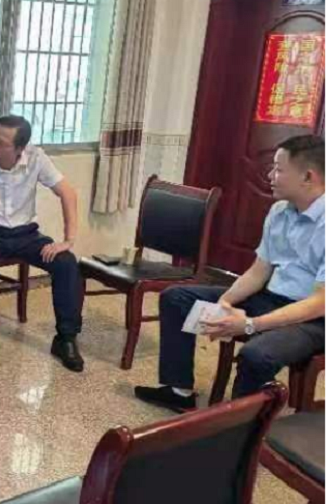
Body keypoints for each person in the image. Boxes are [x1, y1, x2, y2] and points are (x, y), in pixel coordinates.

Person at [135, 134, 325, 412]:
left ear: (308, 177)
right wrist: (224, 303)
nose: (270, 176)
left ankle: (237, 426)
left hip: (314, 319)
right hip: (271, 297)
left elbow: (320, 302)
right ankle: (179, 391)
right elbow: (258, 271)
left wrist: (250, 324)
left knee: (256, 355)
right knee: (176, 298)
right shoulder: (279, 211)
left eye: (279, 169)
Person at [0, 115, 85, 371]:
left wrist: (68, 240)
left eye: (1, 143)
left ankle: (66, 338)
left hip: (26, 235)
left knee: (66, 263)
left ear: (20, 149)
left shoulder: (36, 158)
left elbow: (68, 193)